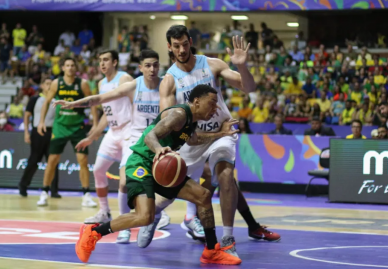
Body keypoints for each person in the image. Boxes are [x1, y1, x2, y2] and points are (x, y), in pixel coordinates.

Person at [140, 26, 280, 256]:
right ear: (169, 47)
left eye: (185, 43)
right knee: (164, 198)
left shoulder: (212, 64)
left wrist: (242, 65)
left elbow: (250, 87)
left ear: (190, 41)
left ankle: (227, 239)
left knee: (226, 175)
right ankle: (153, 215)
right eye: (176, 46)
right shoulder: (169, 82)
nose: (182, 49)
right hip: (192, 141)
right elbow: (174, 130)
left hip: (220, 134)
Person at [75, 85, 242, 265]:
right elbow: (150, 136)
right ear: (196, 101)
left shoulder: (191, 121)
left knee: (203, 196)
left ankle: (211, 250)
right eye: (212, 103)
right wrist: (159, 149)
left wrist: (221, 134)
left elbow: (194, 140)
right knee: (144, 216)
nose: (216, 108)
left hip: (160, 166)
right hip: (142, 163)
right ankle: (94, 232)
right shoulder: (179, 115)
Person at [54, 49, 170, 243]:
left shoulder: (126, 79)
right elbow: (104, 110)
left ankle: (146, 216)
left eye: (106, 60)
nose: (102, 64)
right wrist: (91, 134)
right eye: (100, 60)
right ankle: (106, 212)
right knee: (100, 170)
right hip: (117, 133)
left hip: (130, 132)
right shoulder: (101, 83)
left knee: (132, 180)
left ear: (115, 62)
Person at [36, 57, 98, 207]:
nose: (70, 68)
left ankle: (86, 194)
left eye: (72, 65)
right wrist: (41, 121)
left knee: (83, 161)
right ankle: (44, 192)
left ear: (76, 68)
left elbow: (92, 103)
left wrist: (95, 123)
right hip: (60, 127)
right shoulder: (57, 83)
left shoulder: (82, 84)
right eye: (67, 65)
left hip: (78, 127)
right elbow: (46, 102)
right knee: (52, 160)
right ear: (63, 68)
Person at [18, 79, 60, 197]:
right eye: (47, 84)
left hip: (52, 132)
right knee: (34, 160)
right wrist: (26, 132)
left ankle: (53, 190)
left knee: (53, 161)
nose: (49, 86)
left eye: (51, 84)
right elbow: (27, 115)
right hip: (38, 131)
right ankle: (23, 185)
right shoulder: (35, 99)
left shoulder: (56, 100)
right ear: (41, 86)